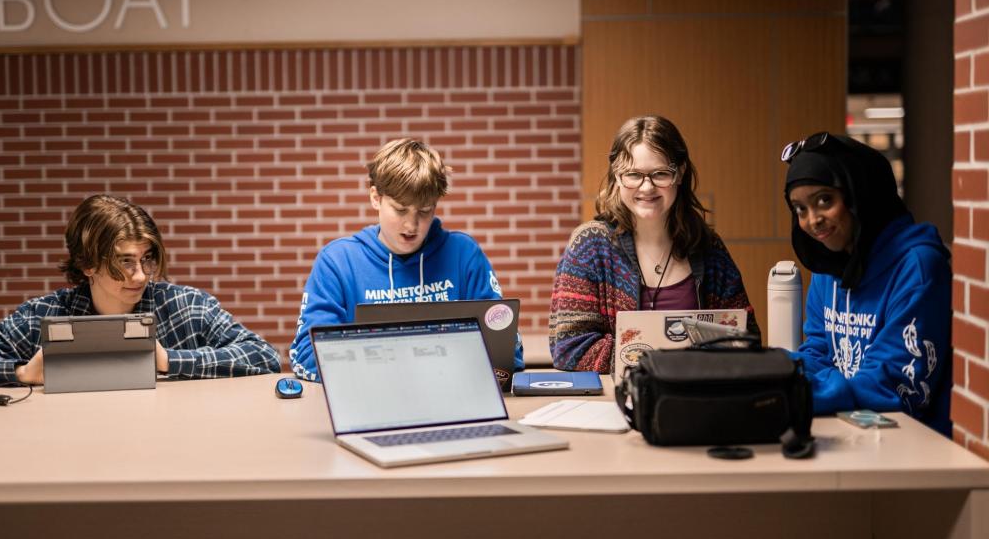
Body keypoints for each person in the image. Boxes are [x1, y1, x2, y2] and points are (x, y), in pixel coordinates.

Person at [0, 194, 281, 386]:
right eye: (125, 262)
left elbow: (263, 356)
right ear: (87, 264)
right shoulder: (44, 315)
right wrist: (21, 373)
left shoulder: (188, 307)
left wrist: (167, 360)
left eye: (147, 259)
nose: (141, 275)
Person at [289, 137, 519, 381]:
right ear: (375, 197)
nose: (412, 225)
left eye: (424, 211)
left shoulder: (464, 254)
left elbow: (506, 351)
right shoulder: (337, 262)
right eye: (400, 209)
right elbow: (307, 355)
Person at [550, 115, 758, 374]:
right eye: (633, 174)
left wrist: (645, 352)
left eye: (660, 174)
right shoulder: (589, 246)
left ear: (680, 173)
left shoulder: (708, 248)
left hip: (694, 398)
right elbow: (570, 348)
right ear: (616, 175)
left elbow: (746, 337)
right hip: (615, 404)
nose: (647, 187)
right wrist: (670, 359)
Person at [782, 132, 952, 435]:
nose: (812, 220)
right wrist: (767, 370)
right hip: (853, 433)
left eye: (824, 200)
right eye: (800, 209)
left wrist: (790, 394)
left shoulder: (918, 267)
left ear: (858, 194)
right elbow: (818, 352)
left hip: (915, 445)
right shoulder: (828, 263)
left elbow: (889, 385)